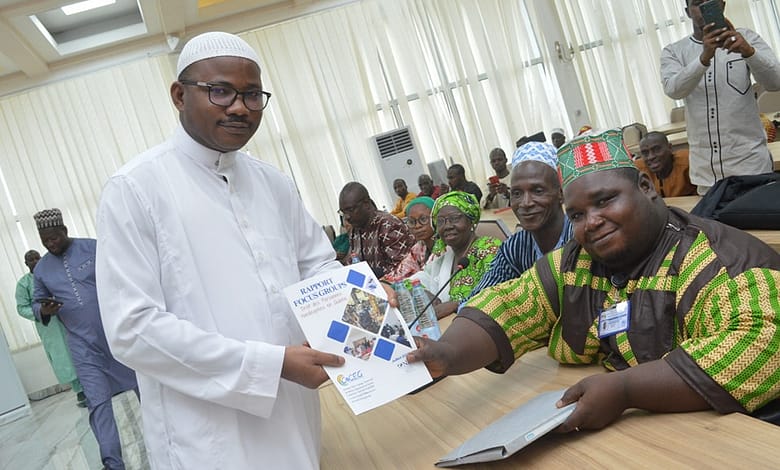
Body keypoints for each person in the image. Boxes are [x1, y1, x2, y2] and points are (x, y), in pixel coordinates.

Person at [408, 129, 780, 432]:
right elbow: (509, 305)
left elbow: (757, 347)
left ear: (646, 188)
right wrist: (448, 354)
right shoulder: (576, 261)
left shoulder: (722, 263)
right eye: (577, 215)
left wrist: (625, 390)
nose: (592, 222)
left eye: (605, 201)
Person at [95, 32, 352, 469]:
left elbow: (318, 266)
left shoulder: (273, 183)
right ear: (179, 95)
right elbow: (132, 330)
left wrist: (363, 300)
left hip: (294, 412)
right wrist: (270, 365)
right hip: (205, 435)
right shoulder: (135, 189)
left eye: (252, 95)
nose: (239, 107)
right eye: (220, 91)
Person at [32, 209, 138, 470]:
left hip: (117, 338)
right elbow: (36, 302)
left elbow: (122, 277)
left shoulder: (93, 248)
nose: (50, 244)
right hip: (83, 348)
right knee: (98, 403)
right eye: (45, 241)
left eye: (54, 238)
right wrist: (44, 310)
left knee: (147, 390)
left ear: (64, 230)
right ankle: (113, 464)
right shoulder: (42, 269)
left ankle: (169, 443)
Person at [661, 0, 780, 194]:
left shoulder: (747, 38)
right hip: (707, 175)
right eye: (697, 3)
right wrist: (703, 58)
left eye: (711, 2)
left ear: (722, 6)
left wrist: (749, 52)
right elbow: (673, 89)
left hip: (752, 167)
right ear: (688, 12)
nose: (704, 8)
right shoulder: (674, 52)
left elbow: (775, 82)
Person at [466, 142, 574, 300]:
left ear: (561, 193)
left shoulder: (580, 238)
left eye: (538, 191)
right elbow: (481, 296)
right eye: (517, 193)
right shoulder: (515, 246)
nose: (526, 203)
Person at [412, 191, 501, 319]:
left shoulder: (489, 249)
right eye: (441, 221)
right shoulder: (445, 255)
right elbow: (420, 278)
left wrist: (457, 305)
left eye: (455, 218)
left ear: (471, 220)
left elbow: (498, 295)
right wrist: (423, 291)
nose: (447, 226)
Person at [15, 249, 86, 408]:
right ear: (26, 264)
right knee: (63, 356)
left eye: (37, 258)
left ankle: (95, 383)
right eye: (31, 260)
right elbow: (21, 308)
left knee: (81, 347)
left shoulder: (51, 274)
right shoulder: (23, 284)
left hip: (67, 316)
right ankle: (80, 391)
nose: (35, 261)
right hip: (49, 325)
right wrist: (41, 311)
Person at [339, 181, 415, 277]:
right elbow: (352, 264)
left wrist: (365, 274)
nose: (347, 217)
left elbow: (403, 269)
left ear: (366, 204)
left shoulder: (389, 225)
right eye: (343, 212)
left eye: (350, 210)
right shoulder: (355, 230)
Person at [385, 196, 437, 281]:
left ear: (435, 219)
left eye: (423, 219)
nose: (417, 226)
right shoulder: (419, 247)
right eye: (412, 222)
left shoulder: (446, 247)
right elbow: (400, 273)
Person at [634, 131, 697, 197]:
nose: (651, 157)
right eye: (645, 153)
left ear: (670, 148)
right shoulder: (637, 169)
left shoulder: (689, 162)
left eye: (657, 149)